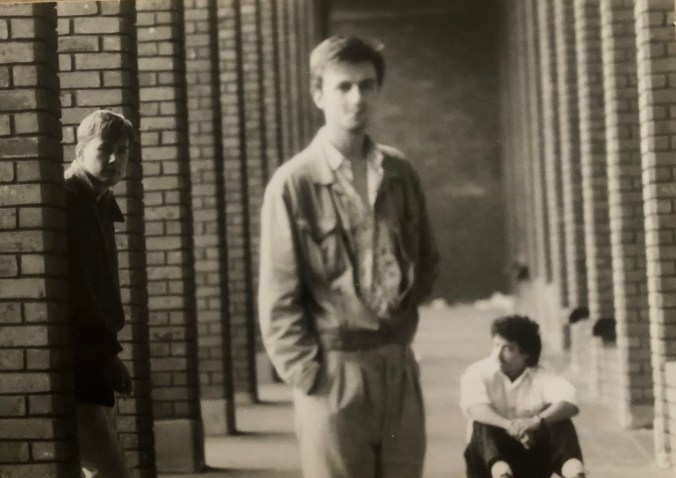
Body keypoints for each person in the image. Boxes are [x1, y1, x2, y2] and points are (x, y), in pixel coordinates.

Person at [258, 35, 440, 478]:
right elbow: (278, 298)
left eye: (367, 85)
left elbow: (427, 260)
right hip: (335, 371)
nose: (357, 98)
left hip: (398, 368)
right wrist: (311, 376)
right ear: (318, 93)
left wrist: (398, 327)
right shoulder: (294, 184)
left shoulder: (399, 172)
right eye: (344, 86)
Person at [64, 109, 135, 478]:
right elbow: (78, 290)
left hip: (95, 351)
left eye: (122, 151)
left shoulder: (98, 199)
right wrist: (108, 356)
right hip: (80, 355)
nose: (114, 160)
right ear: (80, 150)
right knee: (108, 468)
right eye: (104, 149)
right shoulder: (69, 200)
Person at [460, 315, 586, 478]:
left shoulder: (542, 374)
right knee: (481, 422)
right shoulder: (478, 372)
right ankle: (501, 473)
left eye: (508, 349)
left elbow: (569, 403)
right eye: (496, 345)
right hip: (487, 462)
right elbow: (475, 408)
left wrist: (536, 421)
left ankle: (574, 472)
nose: (497, 355)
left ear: (526, 353)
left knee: (559, 419)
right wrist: (510, 426)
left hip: (531, 458)